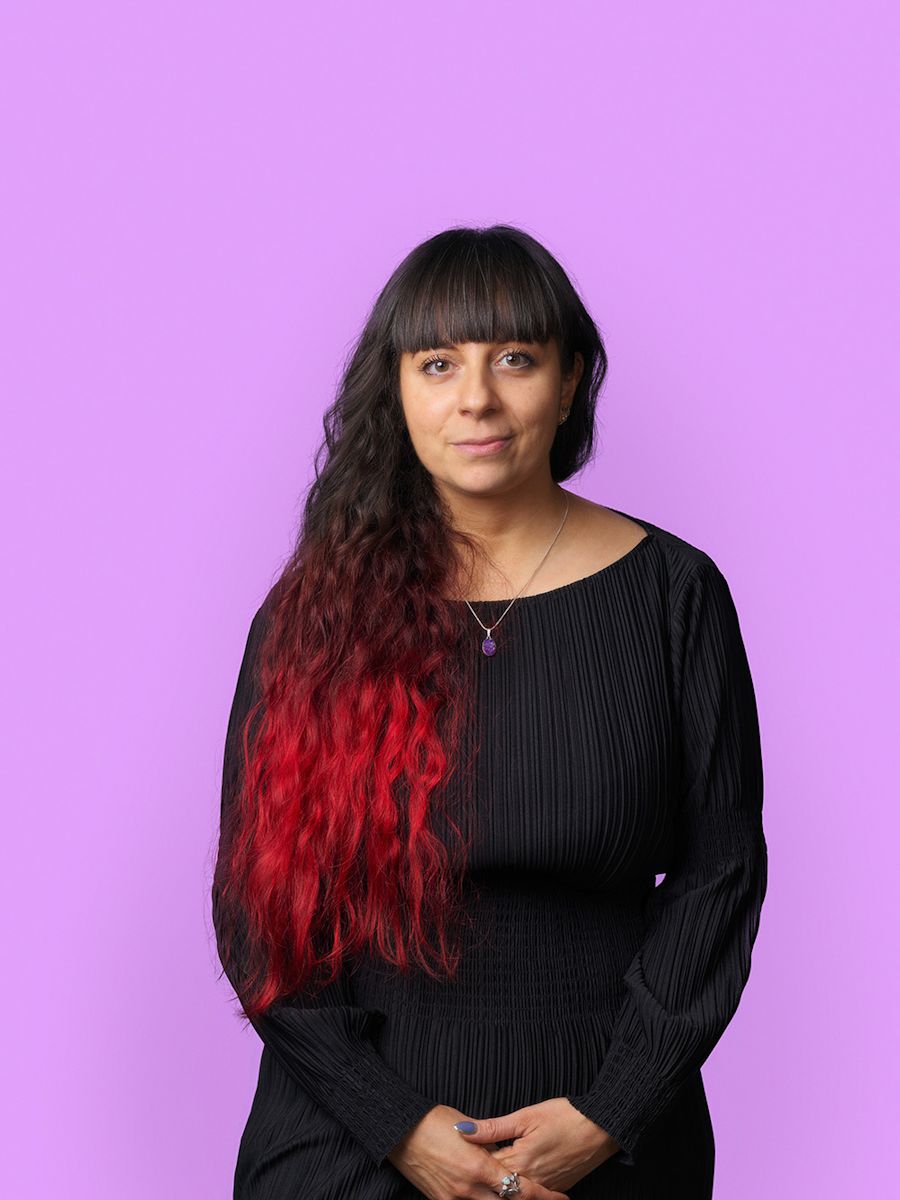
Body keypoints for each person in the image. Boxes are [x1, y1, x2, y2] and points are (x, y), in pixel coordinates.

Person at [211, 224, 768, 1200]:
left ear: (570, 379)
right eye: (438, 363)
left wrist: (609, 1113)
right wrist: (398, 1127)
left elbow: (720, 874)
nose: (477, 397)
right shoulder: (313, 615)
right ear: (396, 388)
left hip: (609, 1124)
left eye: (515, 358)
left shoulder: (676, 595)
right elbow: (259, 909)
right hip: (348, 1134)